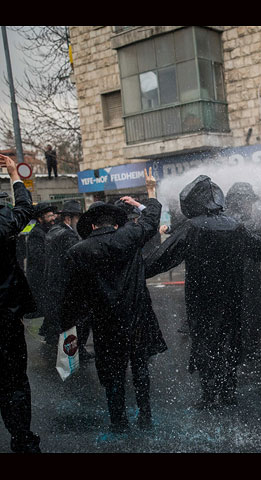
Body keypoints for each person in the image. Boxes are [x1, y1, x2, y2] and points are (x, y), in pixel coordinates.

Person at [144, 175, 261, 410]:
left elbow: (162, 258)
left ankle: (209, 394)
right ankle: (228, 391)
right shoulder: (234, 226)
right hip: (232, 295)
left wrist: (138, 270)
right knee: (230, 341)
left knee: (204, 343)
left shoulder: (191, 228)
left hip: (202, 296)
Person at [60, 168, 166, 433]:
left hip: (106, 326)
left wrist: (66, 327)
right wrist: (149, 193)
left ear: (93, 226)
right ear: (115, 223)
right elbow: (152, 218)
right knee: (140, 370)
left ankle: (118, 421)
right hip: (137, 321)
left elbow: (72, 296)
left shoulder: (78, 251)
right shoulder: (129, 238)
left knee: (112, 375)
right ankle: (145, 416)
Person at [0, 153, 41, 453]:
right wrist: (15, 174)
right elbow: (24, 209)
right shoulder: (3, 221)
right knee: (13, 382)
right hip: (4, 317)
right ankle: (22, 440)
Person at [225, 182, 261, 360]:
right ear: (241, 201)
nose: (251, 205)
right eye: (248, 201)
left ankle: (243, 344)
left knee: (242, 308)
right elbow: (254, 228)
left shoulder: (225, 217)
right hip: (248, 272)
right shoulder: (241, 219)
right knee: (253, 307)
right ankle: (253, 346)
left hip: (234, 272)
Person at [40, 200, 92, 357]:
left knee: (66, 322)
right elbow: (77, 260)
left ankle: (69, 352)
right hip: (67, 286)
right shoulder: (68, 235)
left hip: (55, 284)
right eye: (77, 218)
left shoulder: (54, 231)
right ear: (69, 218)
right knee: (78, 321)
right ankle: (76, 351)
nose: (79, 222)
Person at [27, 202, 57, 320]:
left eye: (52, 215)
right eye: (49, 216)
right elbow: (39, 256)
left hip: (45, 277)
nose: (53, 218)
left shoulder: (46, 231)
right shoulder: (36, 233)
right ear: (40, 219)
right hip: (39, 278)